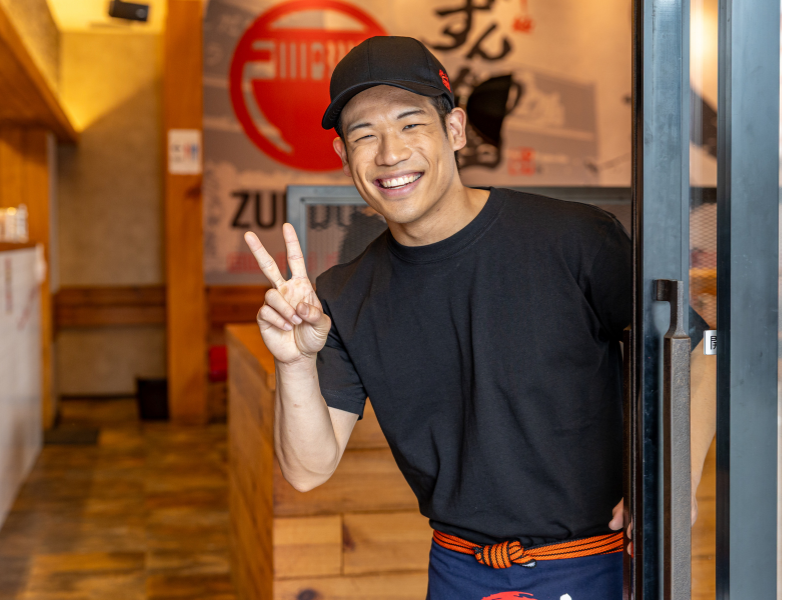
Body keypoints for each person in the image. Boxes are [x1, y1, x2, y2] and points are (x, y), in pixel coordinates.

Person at [243, 36, 717, 600]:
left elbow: (701, 347)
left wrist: (673, 479)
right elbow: (307, 470)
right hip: (459, 571)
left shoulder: (574, 238)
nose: (389, 154)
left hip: (600, 561)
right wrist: (294, 363)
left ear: (455, 129)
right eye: (364, 135)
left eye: (410, 124)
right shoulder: (344, 295)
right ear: (344, 156)